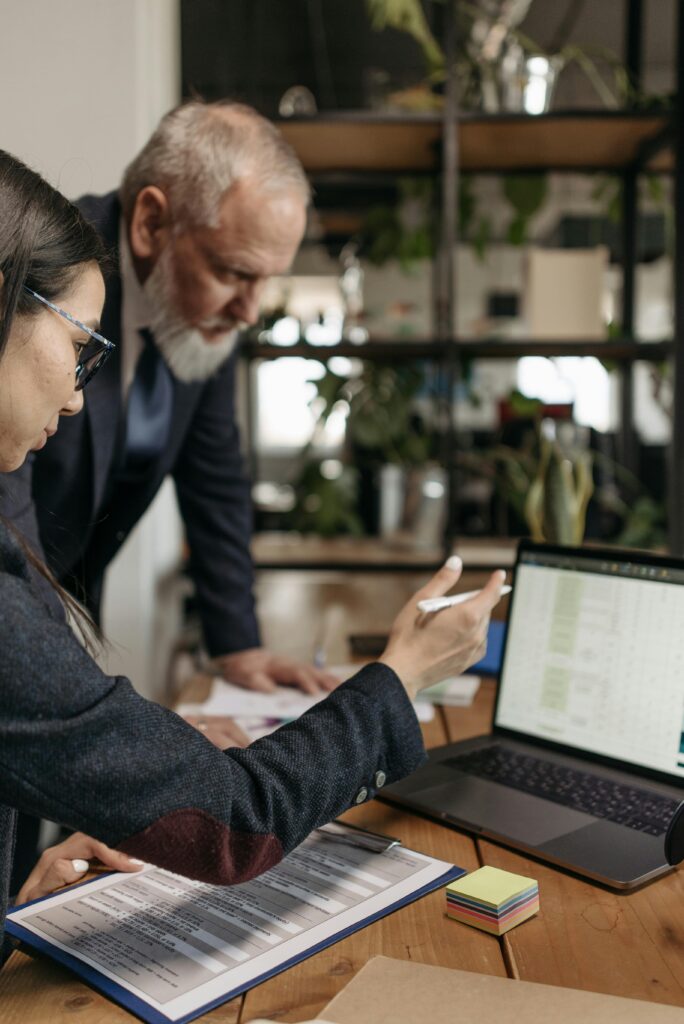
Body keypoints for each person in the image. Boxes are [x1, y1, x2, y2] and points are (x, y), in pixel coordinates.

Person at [0, 149, 505, 960]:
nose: (74, 394)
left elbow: (216, 480)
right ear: (153, 223)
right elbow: (240, 821)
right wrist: (403, 673)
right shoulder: (58, 254)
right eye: (76, 349)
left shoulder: (188, 318)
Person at [1, 99, 338, 701]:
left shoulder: (203, 312)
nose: (251, 310)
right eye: (236, 272)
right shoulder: (52, 277)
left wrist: (237, 644)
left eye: (266, 280)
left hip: (67, 614)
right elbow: (10, 512)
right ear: (152, 223)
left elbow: (215, 479)